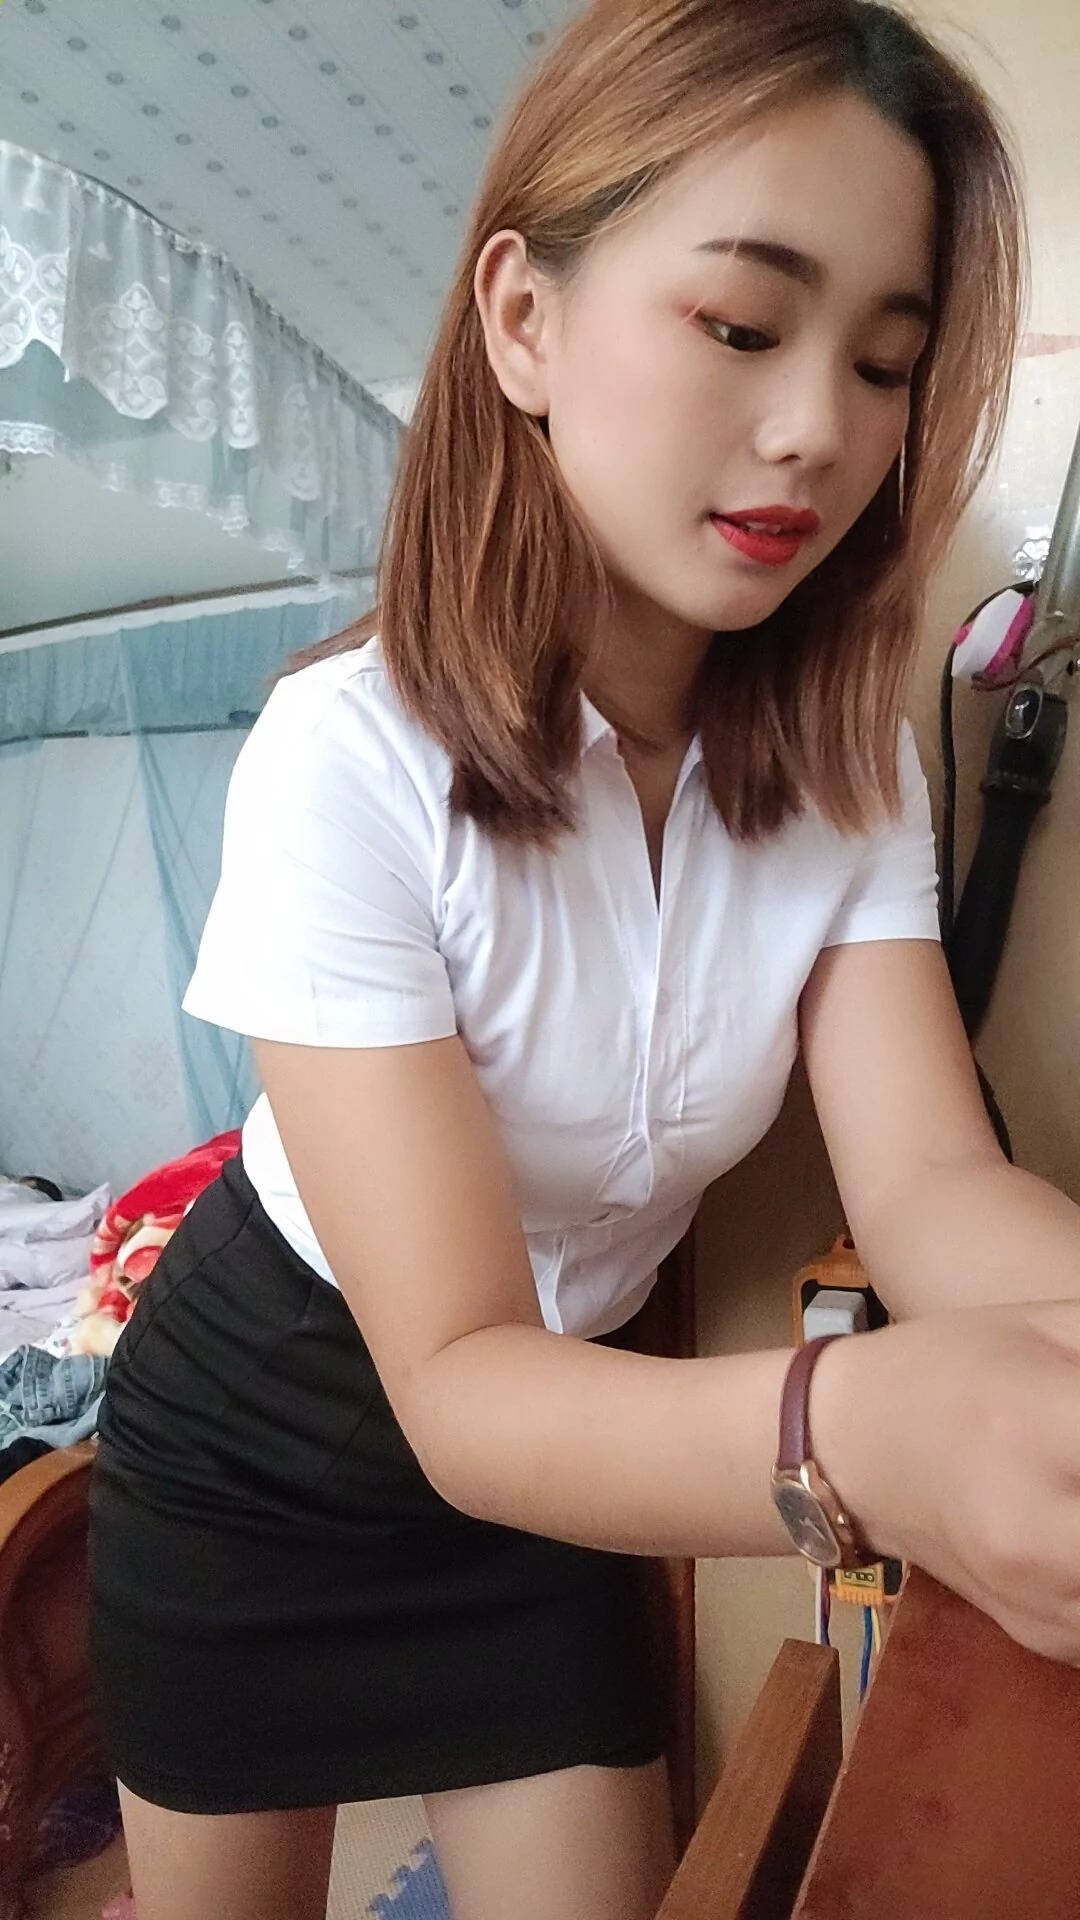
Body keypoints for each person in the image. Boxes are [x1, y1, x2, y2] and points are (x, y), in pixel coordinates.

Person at [88, 3, 1080, 1917]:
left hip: (574, 1449)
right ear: (524, 321)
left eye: (885, 363)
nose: (822, 429)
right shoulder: (345, 759)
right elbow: (455, 1375)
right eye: (743, 324)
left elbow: (932, 1190)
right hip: (266, 1445)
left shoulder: (851, 758)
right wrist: (866, 1431)